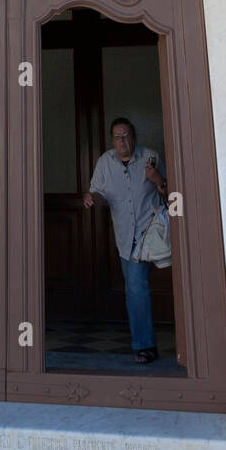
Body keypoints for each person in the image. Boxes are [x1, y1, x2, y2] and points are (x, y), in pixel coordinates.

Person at [83, 117, 168, 364]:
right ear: (113, 140)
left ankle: (145, 346)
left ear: (134, 137)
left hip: (148, 231)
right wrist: (92, 199)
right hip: (124, 237)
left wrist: (157, 179)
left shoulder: (149, 157)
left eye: (126, 135)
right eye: (117, 137)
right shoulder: (105, 162)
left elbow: (168, 191)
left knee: (135, 286)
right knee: (134, 290)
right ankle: (144, 342)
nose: (122, 141)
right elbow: (98, 193)